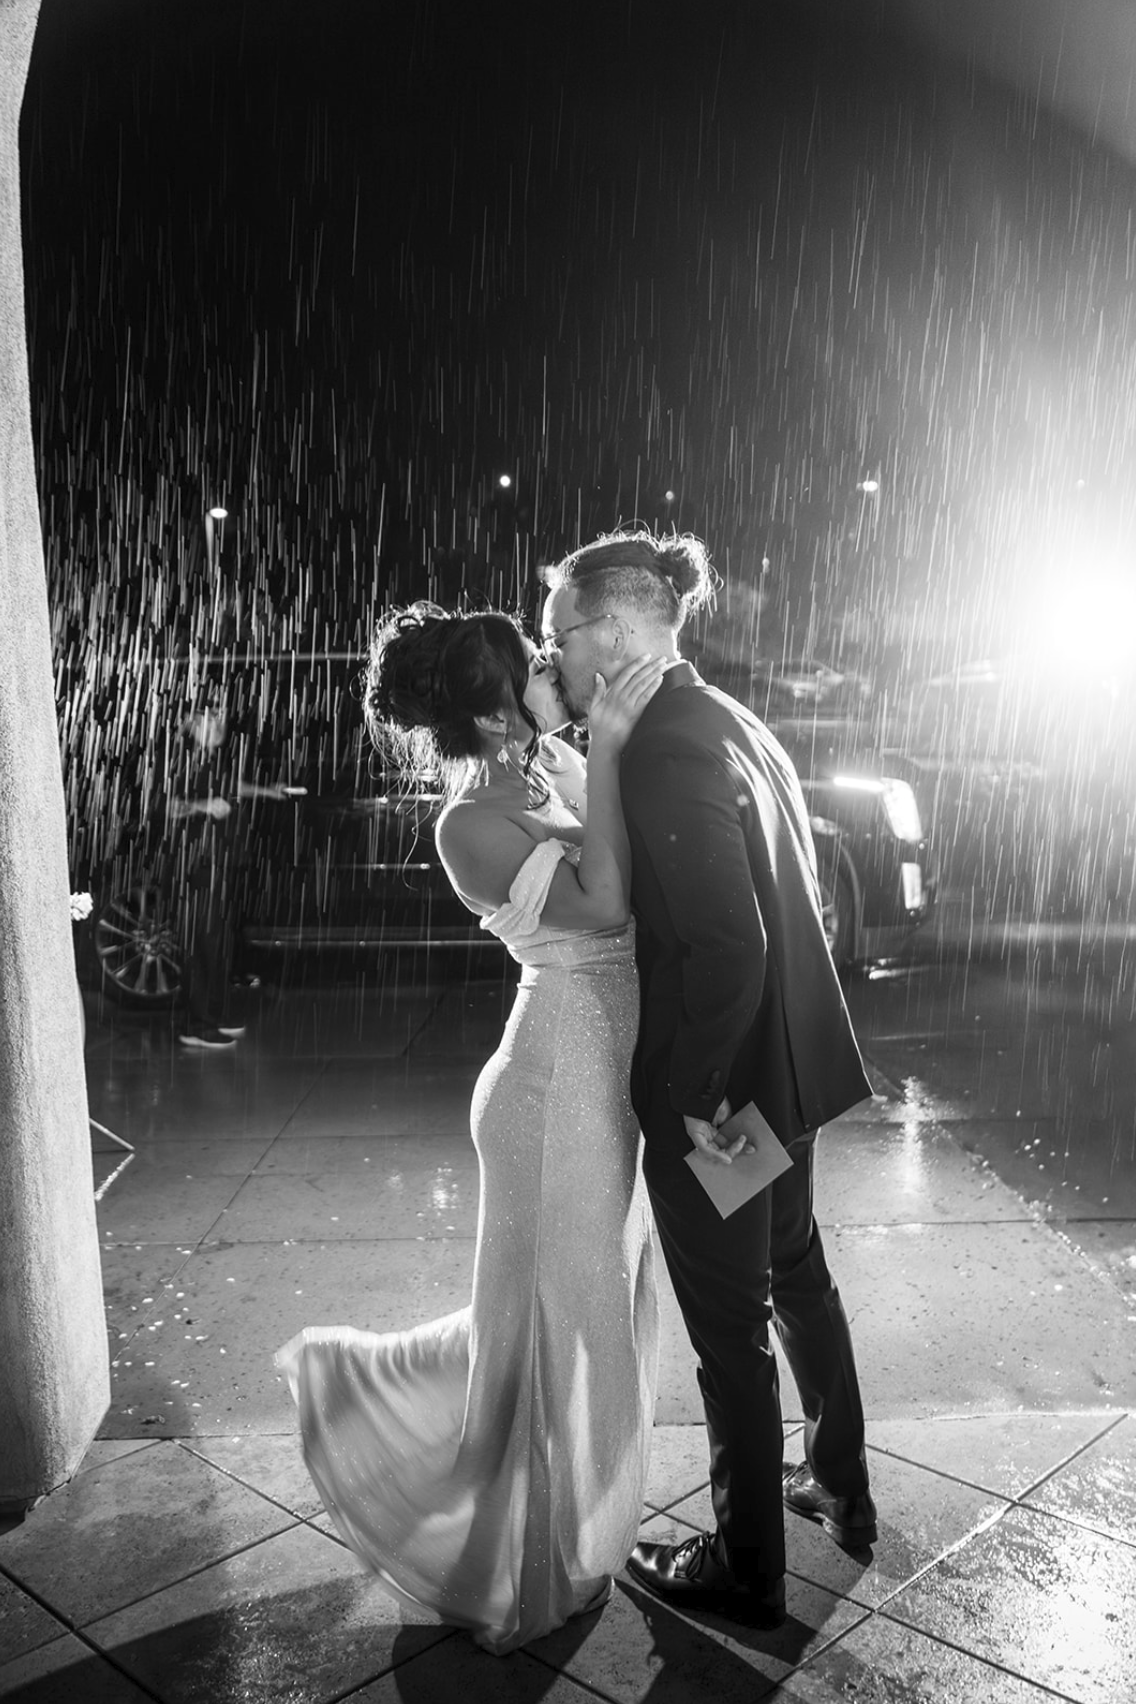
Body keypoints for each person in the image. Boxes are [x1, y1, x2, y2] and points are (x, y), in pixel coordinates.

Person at [276, 605, 665, 1655]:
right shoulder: (468, 827)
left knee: (589, 1314)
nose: (553, 676)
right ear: (493, 718)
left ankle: (560, 1514)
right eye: (534, 672)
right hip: (552, 1092)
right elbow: (604, 897)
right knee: (562, 1324)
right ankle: (530, 1549)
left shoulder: (551, 769)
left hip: (609, 1080)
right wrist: (617, 751)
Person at [541, 530, 877, 1628]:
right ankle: (837, 1485)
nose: (554, 655)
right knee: (797, 1278)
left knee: (728, 1324)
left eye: (560, 633)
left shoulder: (663, 750)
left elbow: (727, 946)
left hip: (722, 1097)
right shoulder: (722, 715)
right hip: (781, 1072)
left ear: (620, 629)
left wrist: (686, 1103)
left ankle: (745, 1565)